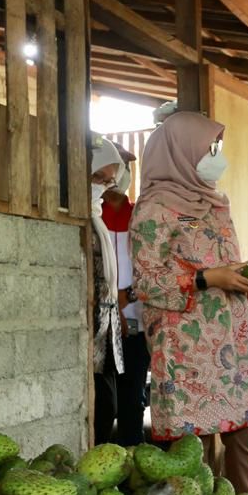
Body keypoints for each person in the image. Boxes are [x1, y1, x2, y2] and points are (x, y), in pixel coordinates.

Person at [130, 111, 248, 495]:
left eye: (217, 148)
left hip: (231, 339)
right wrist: (209, 279)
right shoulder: (154, 210)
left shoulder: (216, 203)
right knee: (196, 450)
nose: (216, 156)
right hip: (186, 347)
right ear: (180, 150)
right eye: (210, 148)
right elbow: (147, 282)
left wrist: (243, 282)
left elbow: (226, 264)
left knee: (245, 438)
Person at [101, 150, 151, 446]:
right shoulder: (92, 215)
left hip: (138, 321)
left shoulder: (140, 216)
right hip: (103, 323)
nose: (119, 175)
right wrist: (113, 301)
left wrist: (128, 298)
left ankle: (132, 461)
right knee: (107, 401)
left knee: (134, 400)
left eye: (125, 167)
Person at [88, 137, 126, 446]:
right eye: (98, 178)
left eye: (109, 181)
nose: (105, 187)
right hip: (90, 330)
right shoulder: (80, 220)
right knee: (99, 407)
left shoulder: (96, 217)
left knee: (108, 407)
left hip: (106, 331)